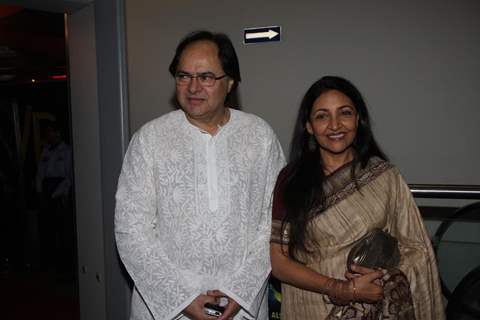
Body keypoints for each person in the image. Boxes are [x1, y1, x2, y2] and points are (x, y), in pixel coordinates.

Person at [115, 30, 285, 320]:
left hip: (241, 307)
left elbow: (273, 225)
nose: (193, 87)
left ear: (230, 82)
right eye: (183, 76)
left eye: (206, 77)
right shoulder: (150, 139)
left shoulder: (259, 136)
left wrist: (240, 292)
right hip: (168, 309)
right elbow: (131, 230)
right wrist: (180, 298)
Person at [270, 76, 445, 320]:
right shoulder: (291, 180)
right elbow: (279, 262)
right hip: (311, 307)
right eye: (322, 116)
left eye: (345, 113)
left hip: (379, 307)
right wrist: (342, 288)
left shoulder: (384, 176)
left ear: (358, 119)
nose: (335, 125)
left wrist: (384, 280)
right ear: (309, 126)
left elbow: (417, 250)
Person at [35, 121, 74, 272]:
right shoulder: (46, 150)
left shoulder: (67, 151)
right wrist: (40, 192)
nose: (48, 135)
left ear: (58, 133)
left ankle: (64, 267)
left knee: (62, 232)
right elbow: (40, 173)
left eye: (50, 131)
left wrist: (58, 194)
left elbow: (69, 177)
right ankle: (48, 263)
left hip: (59, 194)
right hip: (46, 193)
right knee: (46, 230)